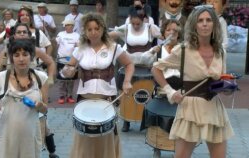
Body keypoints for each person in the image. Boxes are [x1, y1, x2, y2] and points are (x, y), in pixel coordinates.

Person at [152, 5, 234, 158]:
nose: (204, 24)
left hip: (214, 108)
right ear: (194, 24)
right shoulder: (183, 49)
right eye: (200, 20)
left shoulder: (221, 51)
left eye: (208, 20)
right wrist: (170, 92)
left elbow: (221, 80)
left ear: (214, 24)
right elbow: (156, 68)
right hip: (189, 109)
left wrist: (228, 88)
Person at [62, 13, 134, 158]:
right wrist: (67, 71)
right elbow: (67, 69)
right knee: (84, 136)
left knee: (106, 135)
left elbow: (129, 63)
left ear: (102, 29)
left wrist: (127, 81)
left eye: (97, 28)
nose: (93, 32)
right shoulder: (79, 49)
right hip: (85, 97)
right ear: (85, 31)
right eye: (89, 29)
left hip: (107, 98)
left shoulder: (113, 48)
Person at [0, 23, 59, 158]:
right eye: (19, 32)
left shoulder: (35, 50)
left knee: (40, 123)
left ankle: (51, 151)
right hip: (11, 88)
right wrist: (2, 62)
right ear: (14, 35)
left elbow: (51, 62)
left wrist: (50, 78)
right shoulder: (7, 50)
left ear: (29, 35)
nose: (22, 34)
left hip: (32, 86)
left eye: (24, 32)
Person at [0, 38, 48, 158]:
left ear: (31, 56)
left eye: (25, 54)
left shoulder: (40, 78)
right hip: (5, 136)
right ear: (11, 58)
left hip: (30, 135)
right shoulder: (0, 78)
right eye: (16, 55)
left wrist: (40, 105)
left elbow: (45, 109)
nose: (21, 59)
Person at [110, 7, 161, 132]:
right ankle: (126, 121)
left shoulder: (150, 28)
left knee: (148, 93)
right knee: (127, 93)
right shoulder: (126, 28)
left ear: (144, 19)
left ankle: (148, 120)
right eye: (133, 23)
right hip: (130, 64)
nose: (135, 26)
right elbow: (111, 34)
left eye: (138, 23)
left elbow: (164, 36)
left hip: (146, 64)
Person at [56, 19, 79, 104]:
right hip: (61, 60)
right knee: (61, 79)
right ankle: (61, 96)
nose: (67, 27)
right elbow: (57, 45)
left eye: (69, 25)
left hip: (72, 61)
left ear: (72, 26)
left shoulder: (77, 35)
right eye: (66, 25)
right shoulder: (60, 34)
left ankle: (69, 96)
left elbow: (78, 47)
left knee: (71, 80)